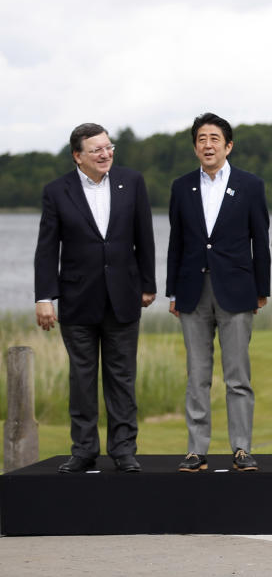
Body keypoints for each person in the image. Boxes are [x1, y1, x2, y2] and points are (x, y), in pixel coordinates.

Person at [34, 123, 156, 473]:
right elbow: (47, 249)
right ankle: (84, 450)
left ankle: (123, 450)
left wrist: (148, 284)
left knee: (122, 377)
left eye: (109, 147)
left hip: (124, 296)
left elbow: (143, 237)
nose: (105, 154)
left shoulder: (132, 182)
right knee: (82, 379)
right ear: (78, 156)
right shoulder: (57, 191)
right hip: (77, 299)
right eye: (96, 150)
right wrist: (44, 297)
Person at [166, 112, 270, 473]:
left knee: (238, 376)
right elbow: (176, 242)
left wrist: (262, 289)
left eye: (214, 139)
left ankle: (242, 448)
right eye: (201, 139)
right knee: (197, 375)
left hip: (238, 290)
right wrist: (172, 293)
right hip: (192, 292)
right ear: (195, 146)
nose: (207, 145)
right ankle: (197, 449)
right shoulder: (181, 187)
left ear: (228, 146)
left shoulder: (250, 184)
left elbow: (260, 239)